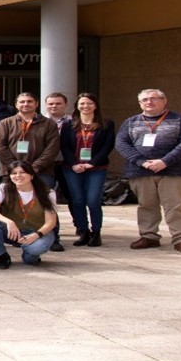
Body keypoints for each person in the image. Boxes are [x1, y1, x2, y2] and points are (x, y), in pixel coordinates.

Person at [115, 89, 181, 254]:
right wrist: (142, 162)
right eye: (145, 100)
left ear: (164, 101)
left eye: (154, 98)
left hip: (173, 170)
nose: (149, 102)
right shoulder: (131, 122)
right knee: (146, 205)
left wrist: (165, 161)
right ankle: (149, 236)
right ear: (140, 103)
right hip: (140, 171)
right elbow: (121, 144)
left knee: (175, 206)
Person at [0, 92, 64, 252]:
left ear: (36, 104)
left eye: (30, 101)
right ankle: (11, 234)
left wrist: (33, 168)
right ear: (16, 104)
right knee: (7, 203)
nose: (26, 104)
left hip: (41, 172)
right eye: (22, 101)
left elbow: (52, 148)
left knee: (47, 203)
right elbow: (0, 146)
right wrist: (16, 169)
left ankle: (52, 237)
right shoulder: (6, 122)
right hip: (12, 173)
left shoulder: (48, 124)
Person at [60, 92, 114, 247]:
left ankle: (96, 232)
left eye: (89, 103)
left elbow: (108, 146)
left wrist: (92, 163)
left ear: (96, 105)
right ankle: (83, 231)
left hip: (97, 168)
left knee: (93, 200)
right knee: (77, 200)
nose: (86, 106)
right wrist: (73, 163)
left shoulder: (106, 124)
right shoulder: (68, 125)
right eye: (82, 103)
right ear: (77, 106)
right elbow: (64, 146)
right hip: (73, 168)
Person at [0, 161, 58, 268]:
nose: (18, 176)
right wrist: (9, 222)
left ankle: (29, 253)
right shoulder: (3, 188)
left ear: (31, 175)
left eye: (22, 172)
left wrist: (36, 235)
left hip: (37, 231)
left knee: (33, 253)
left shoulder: (48, 192)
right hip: (12, 231)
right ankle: (2, 255)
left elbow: (51, 222)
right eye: (14, 173)